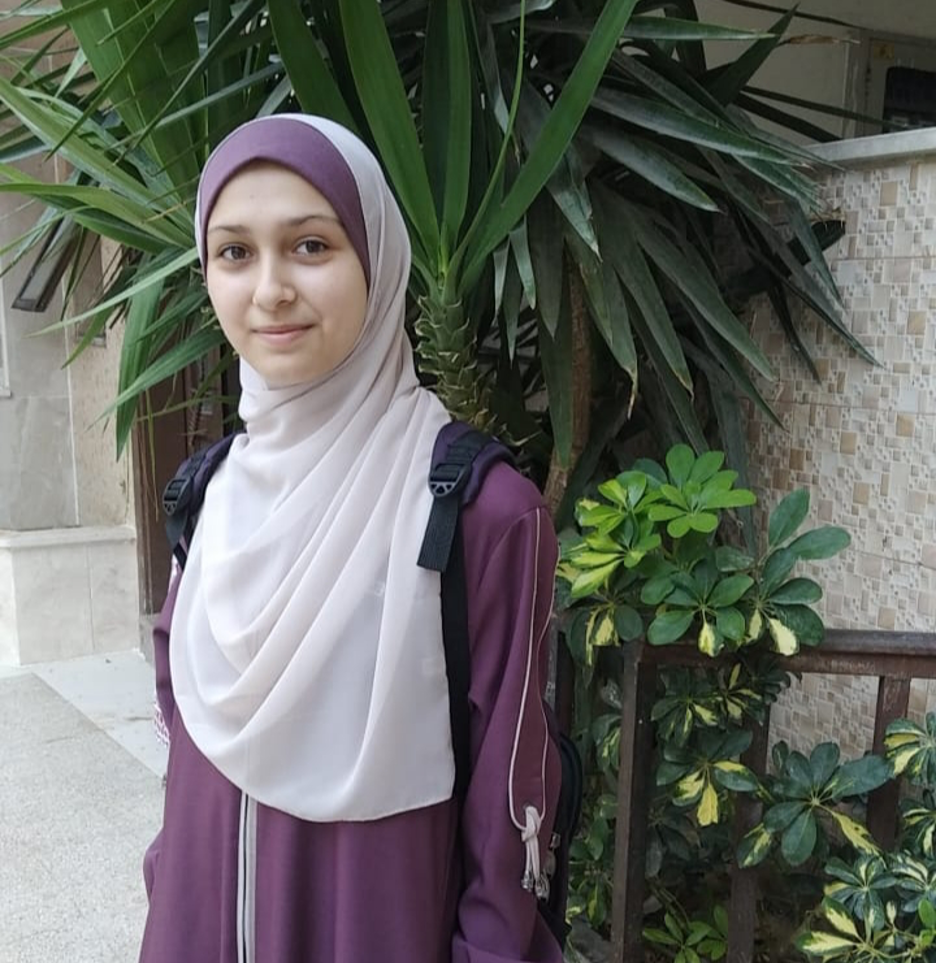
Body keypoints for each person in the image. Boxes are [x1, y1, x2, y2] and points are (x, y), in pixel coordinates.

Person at [138, 114, 563, 964]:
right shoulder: (207, 493)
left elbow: (506, 809)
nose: (269, 291)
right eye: (234, 252)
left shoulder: (481, 512)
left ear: (377, 257)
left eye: (310, 246)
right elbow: (183, 742)